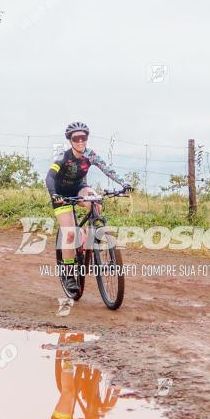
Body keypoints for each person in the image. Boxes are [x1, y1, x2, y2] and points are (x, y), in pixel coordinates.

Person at [45, 122, 131, 296]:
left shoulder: (90, 155)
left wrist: (124, 183)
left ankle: (92, 235)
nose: (80, 141)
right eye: (76, 138)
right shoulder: (62, 156)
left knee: (96, 200)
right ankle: (69, 274)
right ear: (70, 140)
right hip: (61, 195)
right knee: (69, 233)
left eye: (83, 137)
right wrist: (54, 194)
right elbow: (50, 177)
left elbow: (108, 170)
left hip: (79, 189)